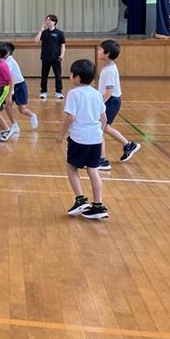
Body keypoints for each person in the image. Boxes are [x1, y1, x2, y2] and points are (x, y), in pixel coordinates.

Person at [56, 59, 108, 219]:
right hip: (95, 139)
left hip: (79, 139)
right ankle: (98, 205)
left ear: (77, 78)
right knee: (93, 170)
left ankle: (80, 200)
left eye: (71, 74)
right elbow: (104, 118)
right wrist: (99, 132)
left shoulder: (74, 93)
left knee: (71, 167)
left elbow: (71, 117)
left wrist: (61, 134)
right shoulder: (97, 94)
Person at [96, 40, 141, 170]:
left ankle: (102, 160)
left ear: (107, 53)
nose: (98, 51)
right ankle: (128, 145)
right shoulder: (108, 67)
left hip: (111, 101)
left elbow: (109, 91)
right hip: (112, 101)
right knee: (105, 128)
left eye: (100, 49)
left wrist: (99, 104)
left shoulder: (109, 70)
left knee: (99, 129)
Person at [3, 42, 39, 133]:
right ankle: (14, 125)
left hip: (19, 86)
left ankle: (32, 115)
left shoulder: (9, 62)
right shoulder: (4, 61)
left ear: (7, 53)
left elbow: (7, 77)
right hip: (12, 86)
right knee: (7, 106)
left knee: (22, 110)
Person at [34, 14, 65, 100]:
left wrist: (62, 55)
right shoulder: (44, 32)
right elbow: (36, 41)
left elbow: (63, 46)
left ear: (54, 22)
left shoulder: (60, 33)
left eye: (49, 20)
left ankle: (58, 92)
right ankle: (43, 92)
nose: (47, 21)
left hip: (56, 58)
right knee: (44, 76)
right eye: (47, 20)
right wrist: (41, 30)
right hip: (45, 57)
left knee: (58, 76)